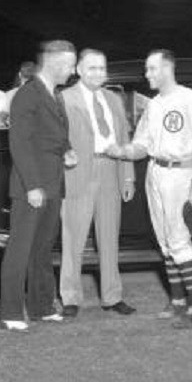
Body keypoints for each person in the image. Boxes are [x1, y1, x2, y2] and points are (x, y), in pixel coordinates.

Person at [105, 49, 192, 329]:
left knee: (179, 240)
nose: (147, 74)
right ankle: (177, 301)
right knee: (164, 241)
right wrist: (122, 151)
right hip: (156, 171)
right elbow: (142, 145)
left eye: (152, 69)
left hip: (181, 173)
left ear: (167, 69)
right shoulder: (153, 105)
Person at [0, 40, 77, 332]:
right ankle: (10, 313)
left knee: (42, 249)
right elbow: (19, 143)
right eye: (70, 65)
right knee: (19, 250)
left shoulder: (53, 94)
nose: (72, 71)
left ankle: (42, 307)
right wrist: (32, 186)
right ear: (55, 63)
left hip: (53, 183)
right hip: (30, 186)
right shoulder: (27, 94)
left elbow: (54, 132)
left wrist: (67, 149)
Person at [59, 49, 136, 319]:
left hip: (110, 169)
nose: (98, 73)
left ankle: (112, 296)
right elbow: (56, 138)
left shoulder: (114, 99)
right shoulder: (64, 98)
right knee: (73, 238)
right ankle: (70, 297)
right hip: (77, 171)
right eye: (91, 68)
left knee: (109, 237)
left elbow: (124, 138)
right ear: (79, 70)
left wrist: (127, 176)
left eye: (102, 68)